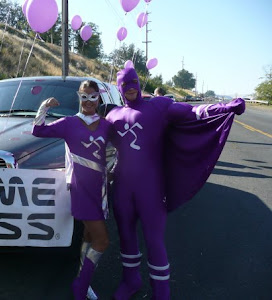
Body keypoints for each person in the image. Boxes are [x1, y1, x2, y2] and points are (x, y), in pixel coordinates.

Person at [105, 67, 245, 300]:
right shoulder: (112, 116)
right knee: (126, 236)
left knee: (154, 240)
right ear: (118, 87)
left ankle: (162, 292)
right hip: (122, 187)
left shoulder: (158, 106)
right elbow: (90, 139)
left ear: (138, 83)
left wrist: (225, 107)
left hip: (150, 188)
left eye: (132, 82)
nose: (129, 87)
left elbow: (194, 112)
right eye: (124, 84)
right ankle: (131, 280)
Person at [32, 80, 112, 300]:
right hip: (80, 188)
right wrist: (44, 107)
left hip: (100, 189)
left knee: (88, 234)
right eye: (84, 96)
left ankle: (82, 279)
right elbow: (38, 130)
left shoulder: (106, 125)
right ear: (79, 97)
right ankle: (81, 284)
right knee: (102, 240)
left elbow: (119, 147)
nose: (88, 101)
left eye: (92, 96)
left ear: (99, 97)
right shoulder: (69, 123)